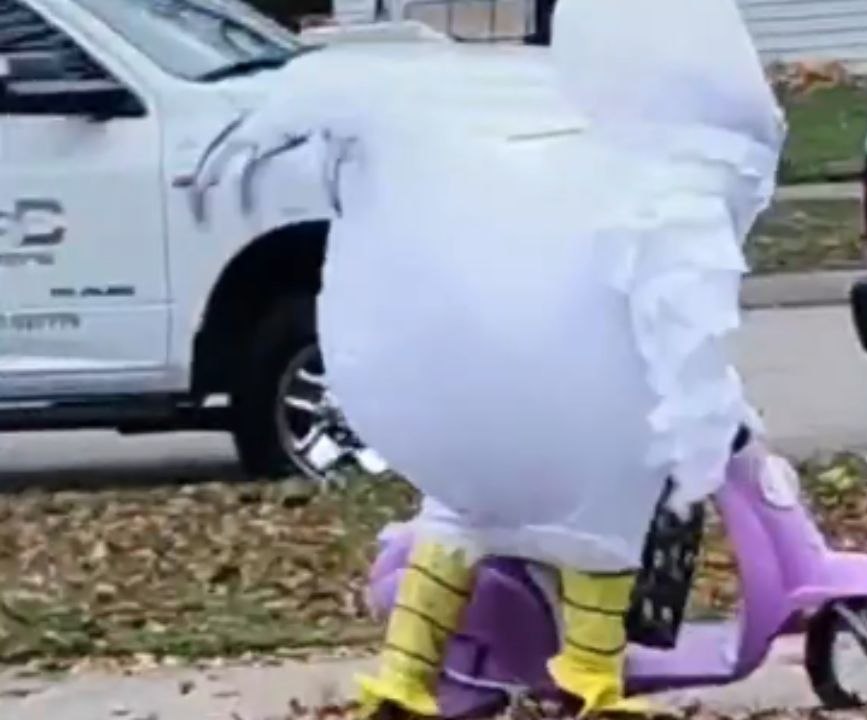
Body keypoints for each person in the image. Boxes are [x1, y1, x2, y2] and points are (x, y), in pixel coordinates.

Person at [185, 0, 785, 716]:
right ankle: (591, 677)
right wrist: (698, 398)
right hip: (577, 426)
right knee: (602, 524)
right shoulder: (657, 171)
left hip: (457, 421)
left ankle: (405, 675)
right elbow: (678, 304)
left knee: (457, 517)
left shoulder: (476, 129)